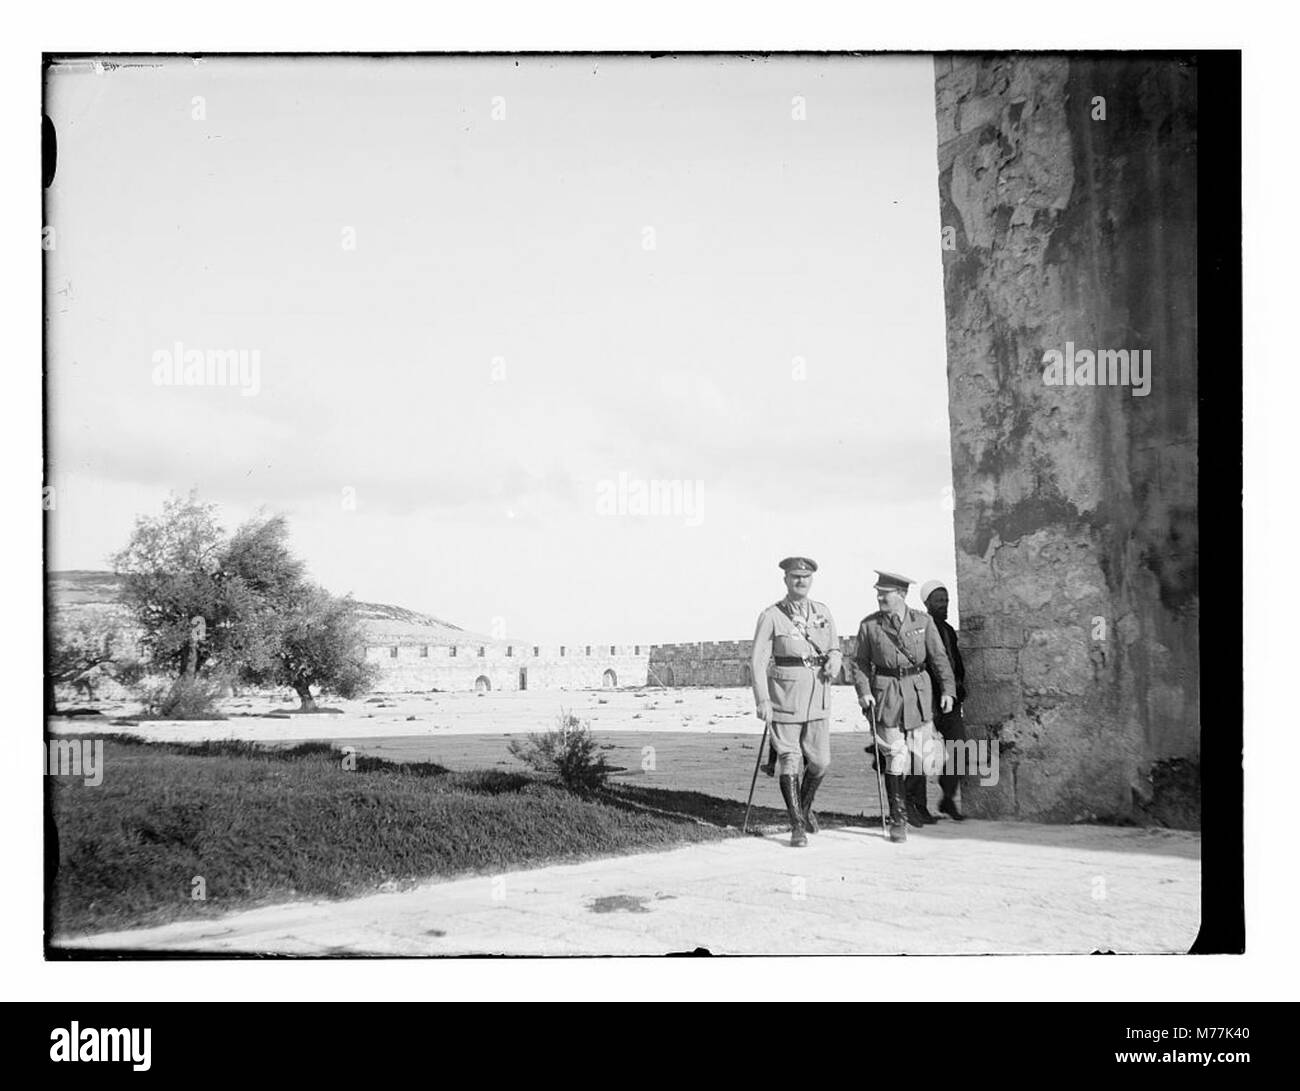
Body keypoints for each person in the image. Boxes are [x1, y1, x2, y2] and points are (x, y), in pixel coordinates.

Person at [853, 570, 955, 843]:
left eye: (885, 594)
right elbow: (860, 663)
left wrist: (948, 690)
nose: (880, 598)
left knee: (921, 758)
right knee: (895, 756)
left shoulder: (923, 622)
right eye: (878, 593)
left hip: (919, 694)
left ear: (901, 595)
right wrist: (864, 692)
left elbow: (939, 658)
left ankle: (912, 804)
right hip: (886, 696)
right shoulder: (869, 626)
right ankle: (898, 817)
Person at [750, 557, 842, 847]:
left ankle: (803, 807)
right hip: (785, 698)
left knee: (821, 761)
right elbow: (757, 661)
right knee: (790, 758)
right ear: (785, 580)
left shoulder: (823, 613)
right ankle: (797, 824)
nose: (800, 581)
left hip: (818, 697)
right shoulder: (772, 616)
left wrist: (836, 659)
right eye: (794, 577)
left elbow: (835, 646)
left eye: (805, 577)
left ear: (811, 580)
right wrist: (763, 699)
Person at [919, 579, 968, 820]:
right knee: (919, 753)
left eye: (946, 600)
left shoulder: (948, 630)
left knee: (959, 747)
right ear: (927, 603)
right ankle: (917, 808)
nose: (944, 605)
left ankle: (948, 798)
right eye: (939, 601)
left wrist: (957, 688)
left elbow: (954, 663)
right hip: (929, 701)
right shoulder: (921, 629)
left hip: (950, 701)